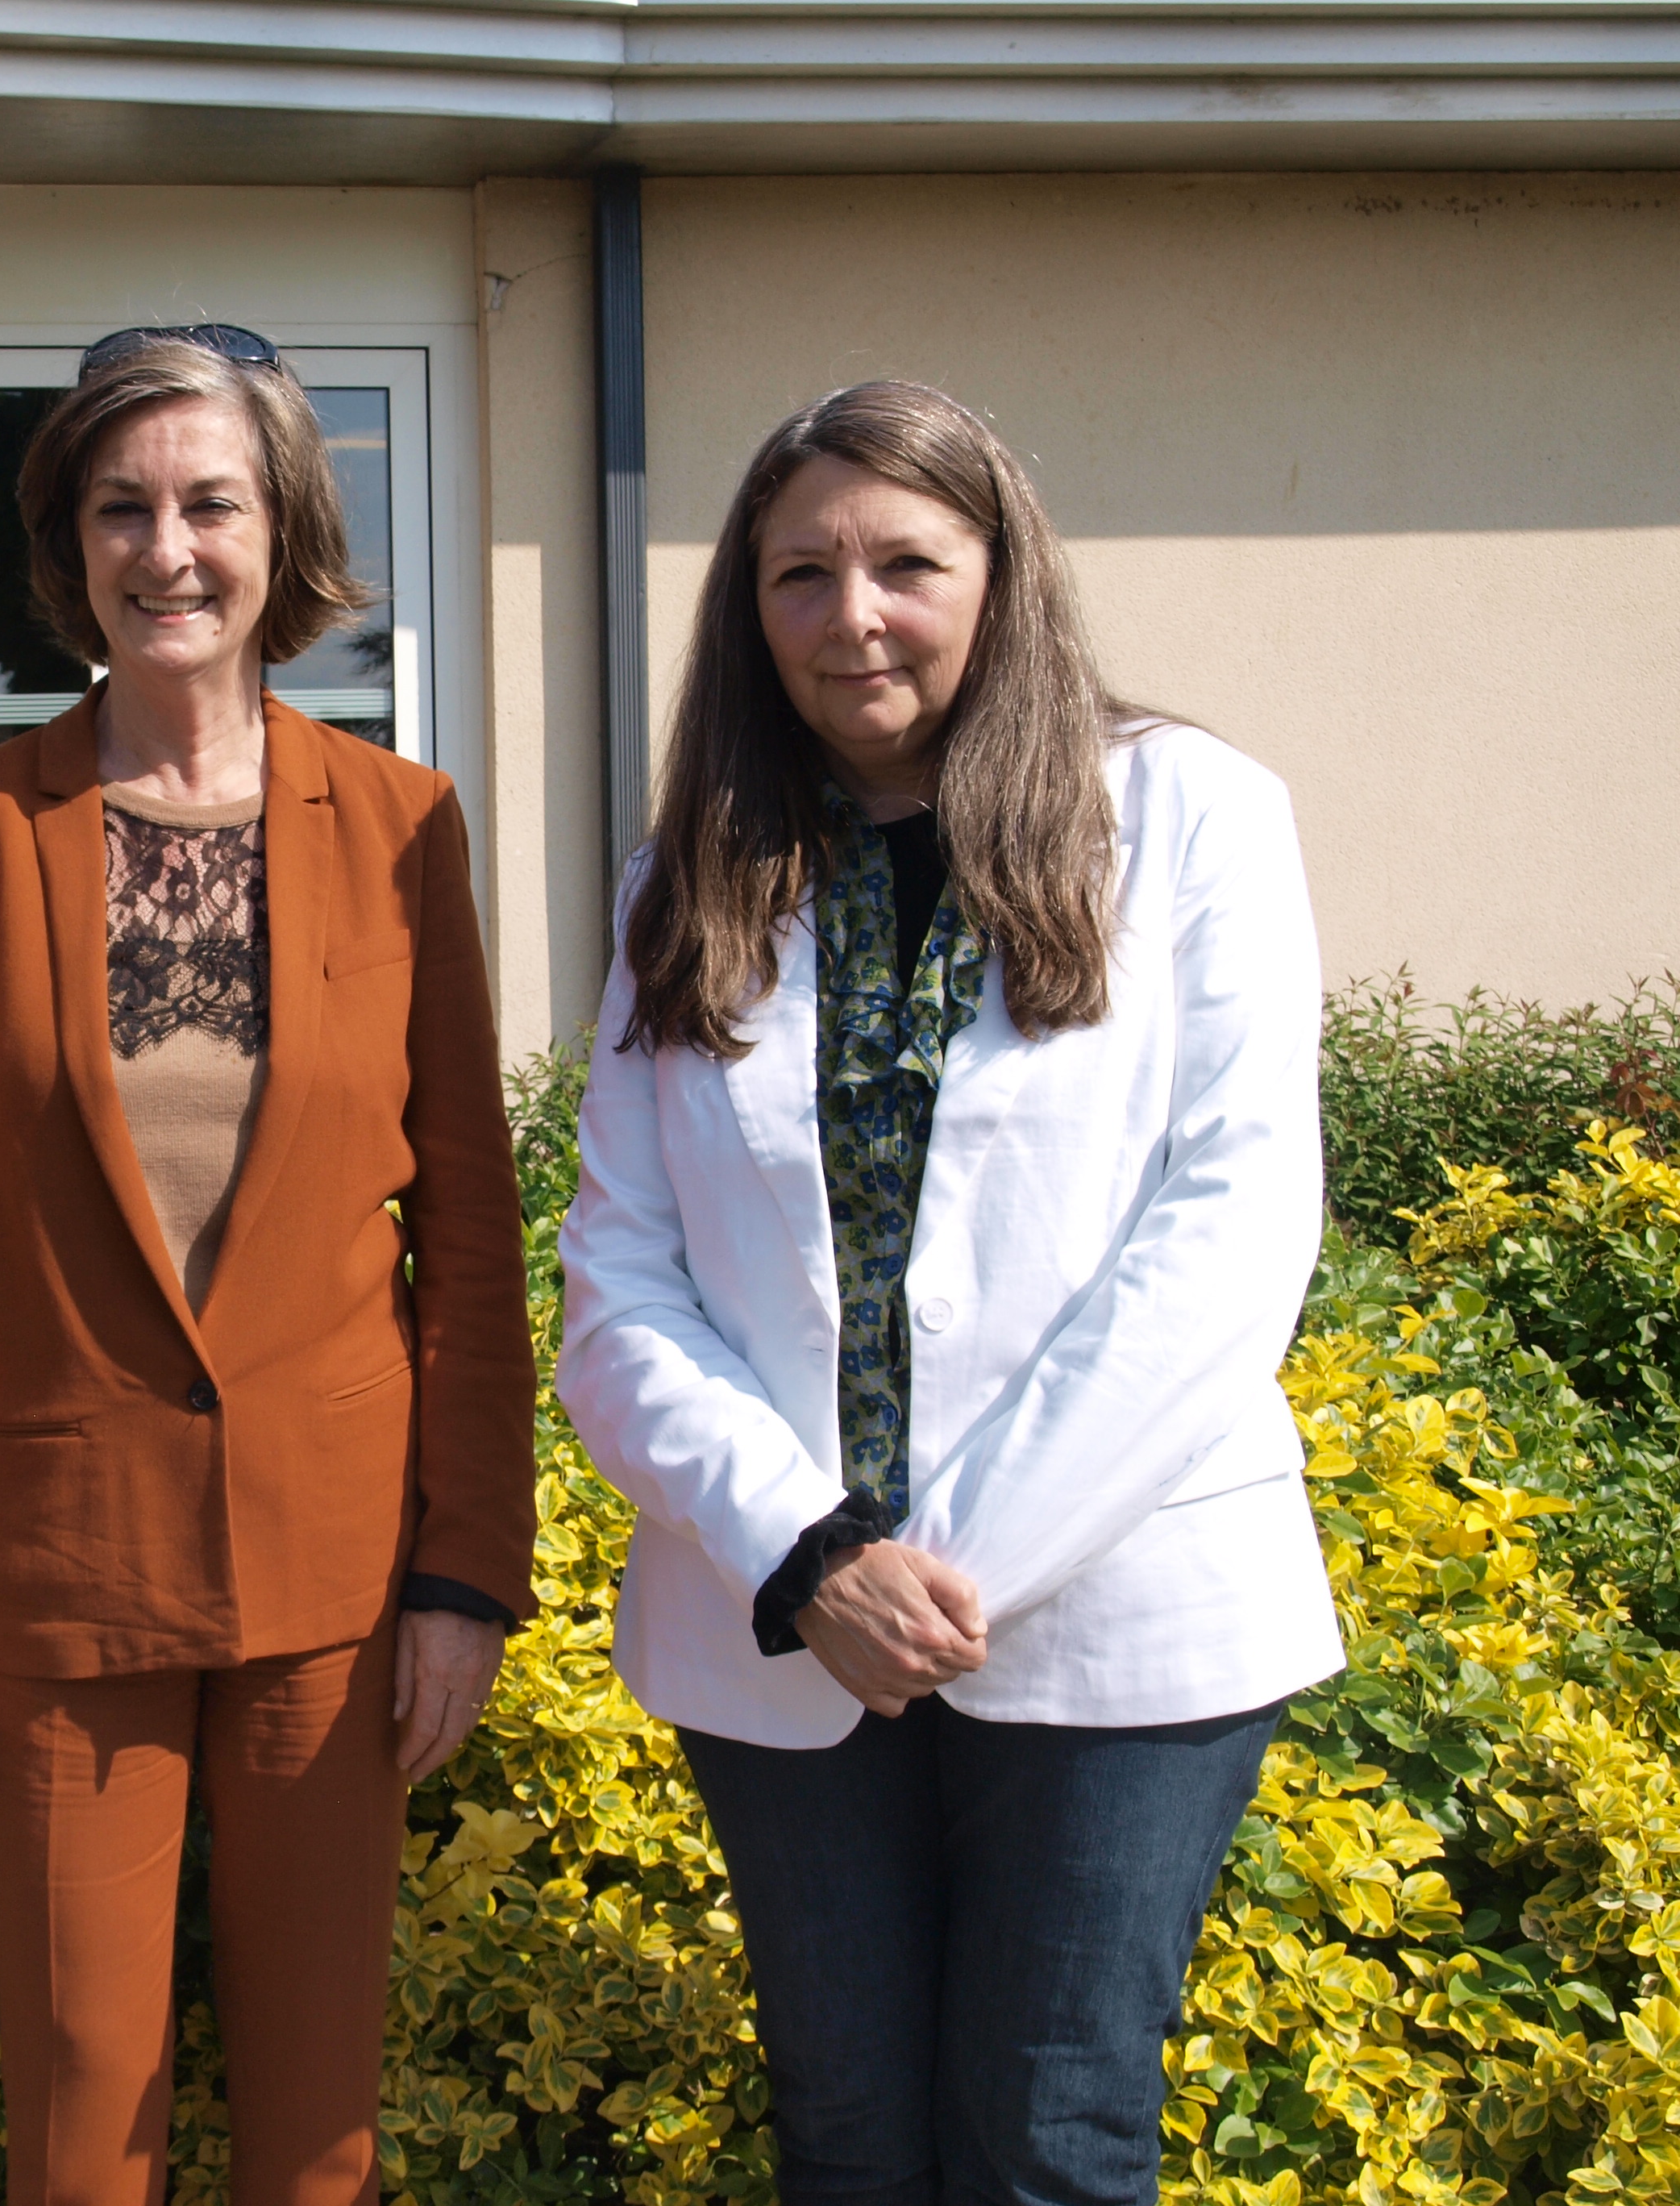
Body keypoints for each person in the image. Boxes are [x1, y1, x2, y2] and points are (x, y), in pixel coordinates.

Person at [554, 381, 1343, 2205]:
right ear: (749, 612)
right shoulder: (688, 880)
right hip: (781, 1627)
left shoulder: (1193, 817)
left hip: (1118, 1619)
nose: (855, 615)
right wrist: (813, 1556)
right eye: (800, 573)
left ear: (1003, 577)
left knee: (1047, 2142)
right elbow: (619, 1274)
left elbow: (1229, 1226)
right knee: (845, 2143)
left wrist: (947, 1567)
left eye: (908, 561)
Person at [0, 325, 538, 2206]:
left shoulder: (401, 831)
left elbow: (467, 1225)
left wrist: (468, 1567)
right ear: (72, 548)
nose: (169, 549)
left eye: (211, 501)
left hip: (338, 1565)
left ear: (278, 526)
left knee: (317, 2120)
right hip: (64, 1564)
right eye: (120, 509)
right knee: (79, 2106)